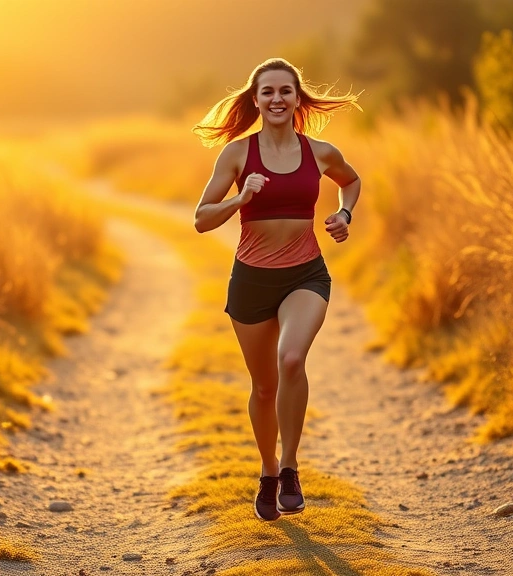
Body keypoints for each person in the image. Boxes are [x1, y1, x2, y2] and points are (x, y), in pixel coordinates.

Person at [191, 58, 361, 521]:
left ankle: (289, 468)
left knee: (291, 359)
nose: (277, 99)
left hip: (305, 274)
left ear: (297, 98)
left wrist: (344, 215)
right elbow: (201, 219)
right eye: (268, 92)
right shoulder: (236, 155)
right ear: (256, 100)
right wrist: (241, 198)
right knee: (264, 388)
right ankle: (267, 471)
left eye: (286, 91)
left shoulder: (321, 152)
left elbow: (351, 181)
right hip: (251, 280)